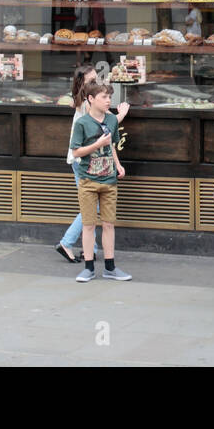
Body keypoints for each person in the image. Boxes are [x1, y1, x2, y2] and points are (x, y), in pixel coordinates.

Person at [56, 64, 128, 263]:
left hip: (82, 160)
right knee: (92, 207)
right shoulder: (87, 104)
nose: (96, 84)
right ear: (84, 85)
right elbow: (106, 125)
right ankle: (67, 242)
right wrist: (121, 114)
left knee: (91, 205)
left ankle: (92, 250)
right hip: (84, 160)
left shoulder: (79, 101)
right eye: (92, 81)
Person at [70, 82, 131, 282]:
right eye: (104, 97)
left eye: (109, 97)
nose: (108, 101)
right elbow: (76, 152)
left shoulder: (112, 120)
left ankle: (110, 267)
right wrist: (97, 143)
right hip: (88, 179)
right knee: (88, 225)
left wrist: (118, 165)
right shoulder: (82, 123)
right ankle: (88, 267)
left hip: (109, 179)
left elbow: (112, 145)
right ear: (91, 99)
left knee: (108, 224)